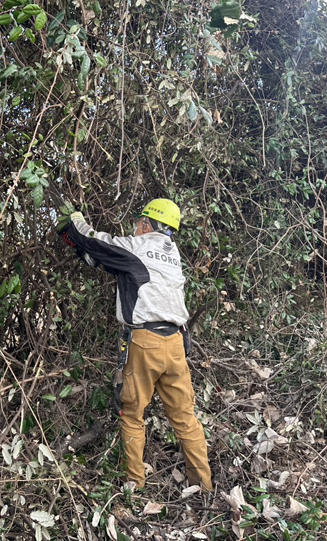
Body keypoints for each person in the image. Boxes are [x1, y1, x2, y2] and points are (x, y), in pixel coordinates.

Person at [57, 199, 212, 491]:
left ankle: (135, 485)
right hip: (177, 344)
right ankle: (204, 487)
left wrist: (74, 222)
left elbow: (97, 242)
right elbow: (119, 266)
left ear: (145, 223)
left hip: (145, 343)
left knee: (131, 414)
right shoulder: (172, 253)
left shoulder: (138, 247)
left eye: (139, 223)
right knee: (185, 419)